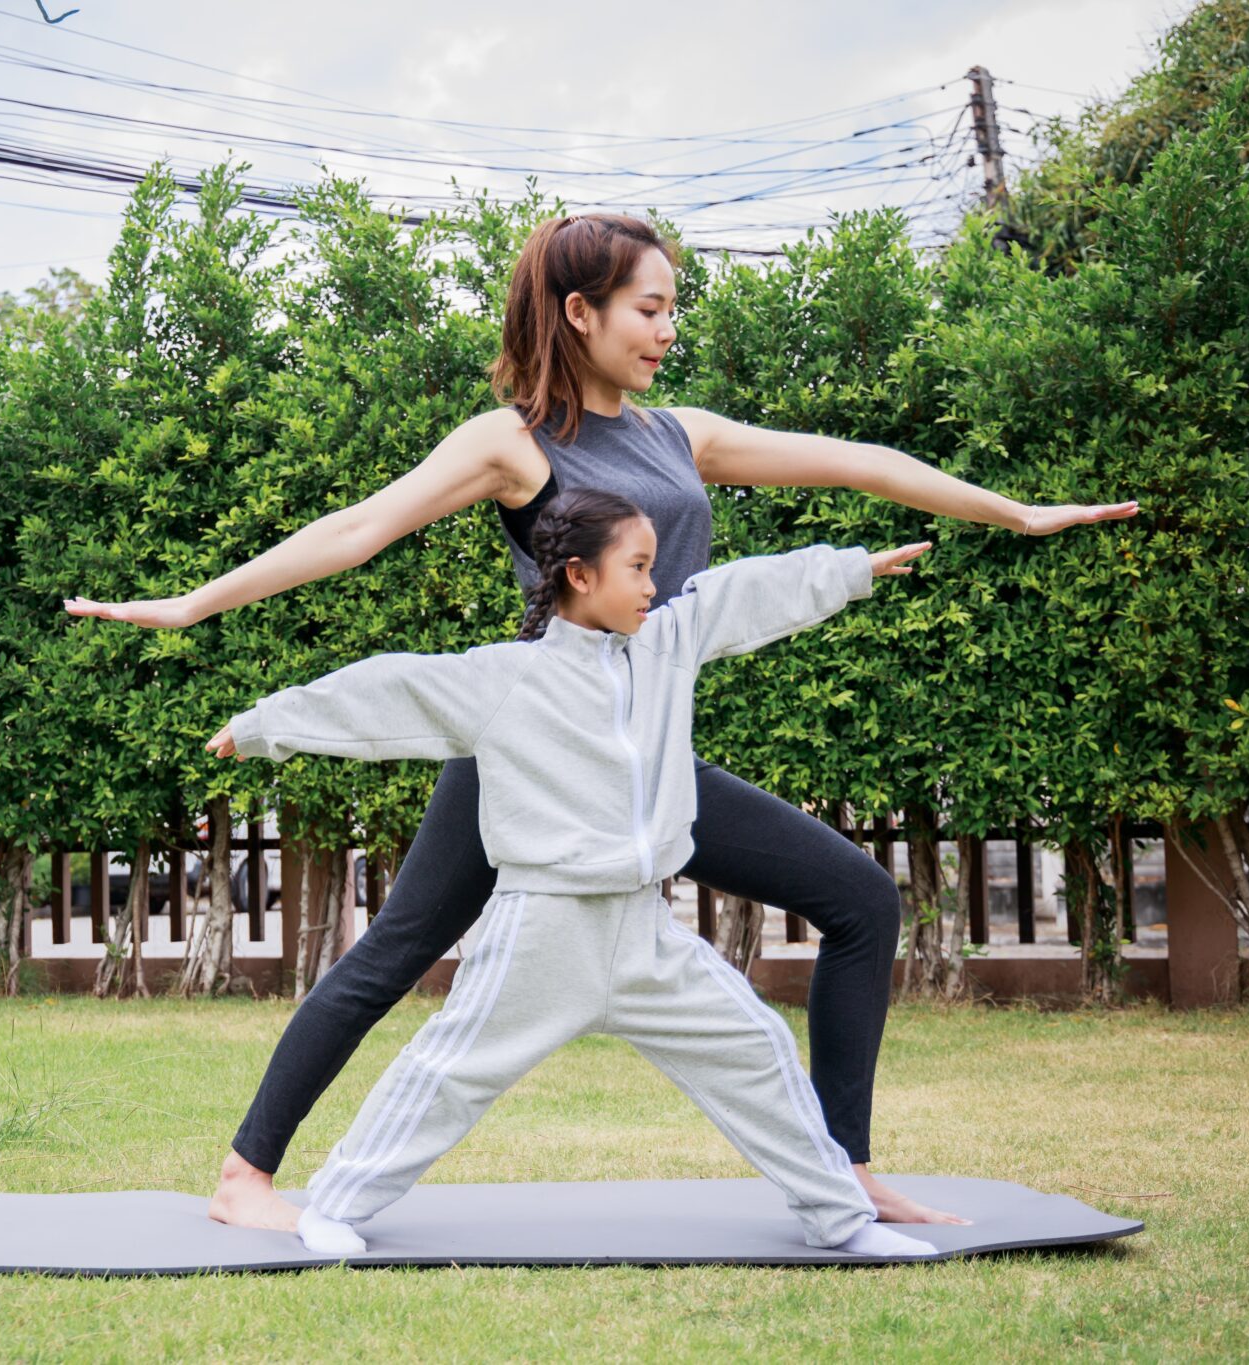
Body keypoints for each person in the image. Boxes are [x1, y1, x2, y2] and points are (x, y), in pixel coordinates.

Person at [67, 212, 1138, 1231]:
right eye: (648, 309)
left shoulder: (682, 436)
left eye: (675, 311)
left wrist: (1011, 512)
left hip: (640, 759)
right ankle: (243, 1175)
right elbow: (359, 527)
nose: (668, 332)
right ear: (579, 312)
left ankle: (843, 1171)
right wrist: (191, 603)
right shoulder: (512, 443)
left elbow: (854, 459)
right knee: (398, 948)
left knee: (857, 899)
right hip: (538, 748)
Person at [208, 489, 938, 1259]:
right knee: (448, 1074)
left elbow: (743, 595)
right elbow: (386, 690)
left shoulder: (666, 646)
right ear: (580, 576)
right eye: (639, 567)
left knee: (755, 1048)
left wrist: (850, 569)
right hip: (543, 934)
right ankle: (336, 1204)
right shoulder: (508, 678)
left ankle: (840, 1216)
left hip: (644, 933)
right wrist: (264, 726)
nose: (655, 586)